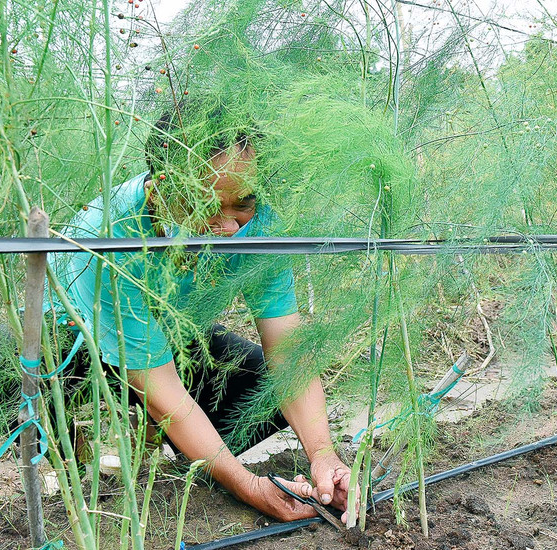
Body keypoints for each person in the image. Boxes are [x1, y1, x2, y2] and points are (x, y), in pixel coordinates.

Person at [53, 100, 353, 523]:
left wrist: (323, 454)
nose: (229, 226)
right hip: (75, 336)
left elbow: (287, 348)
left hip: (171, 330)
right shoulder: (109, 235)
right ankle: (67, 464)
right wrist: (246, 486)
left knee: (263, 389)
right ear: (160, 189)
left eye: (242, 205)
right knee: (8, 369)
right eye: (207, 206)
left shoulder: (262, 224)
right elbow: (156, 383)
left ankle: (189, 458)